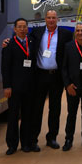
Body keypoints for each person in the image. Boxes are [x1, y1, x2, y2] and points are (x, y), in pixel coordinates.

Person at [31, 9, 73, 150]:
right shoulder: (36, 33)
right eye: (49, 17)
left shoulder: (66, 34)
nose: (51, 20)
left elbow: (72, 50)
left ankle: (52, 138)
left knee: (55, 109)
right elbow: (25, 42)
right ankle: (33, 139)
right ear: (45, 19)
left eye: (53, 17)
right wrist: (7, 42)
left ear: (57, 19)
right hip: (40, 75)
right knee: (37, 108)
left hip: (56, 76)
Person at [1, 18, 38, 154]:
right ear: (15, 29)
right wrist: (6, 86)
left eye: (24, 27)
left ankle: (26, 143)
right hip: (14, 87)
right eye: (20, 27)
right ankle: (12, 144)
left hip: (30, 86)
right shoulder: (9, 44)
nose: (22, 29)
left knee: (28, 116)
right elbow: (5, 67)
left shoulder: (32, 42)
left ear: (27, 28)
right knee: (13, 116)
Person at [61, 21, 82, 151]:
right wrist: (67, 85)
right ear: (75, 33)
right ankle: (68, 139)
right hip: (73, 88)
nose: (80, 33)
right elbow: (64, 68)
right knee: (71, 114)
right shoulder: (68, 47)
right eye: (78, 30)